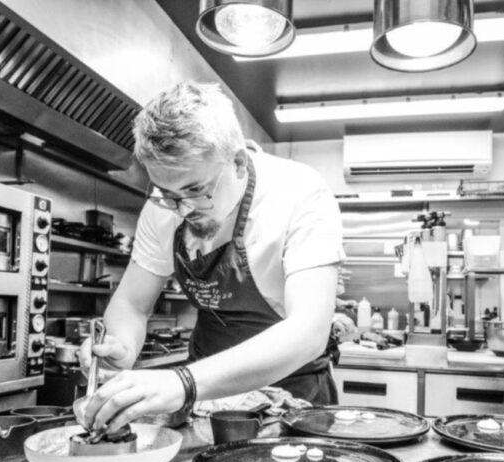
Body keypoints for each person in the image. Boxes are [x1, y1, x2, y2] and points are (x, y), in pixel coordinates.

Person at [80, 82, 345, 433]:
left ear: (237, 163)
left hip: (291, 391)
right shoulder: (164, 209)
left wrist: (184, 382)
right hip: (205, 397)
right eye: (166, 193)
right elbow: (131, 303)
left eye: (195, 190)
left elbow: (309, 330)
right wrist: (121, 346)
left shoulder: (300, 193)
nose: (182, 208)